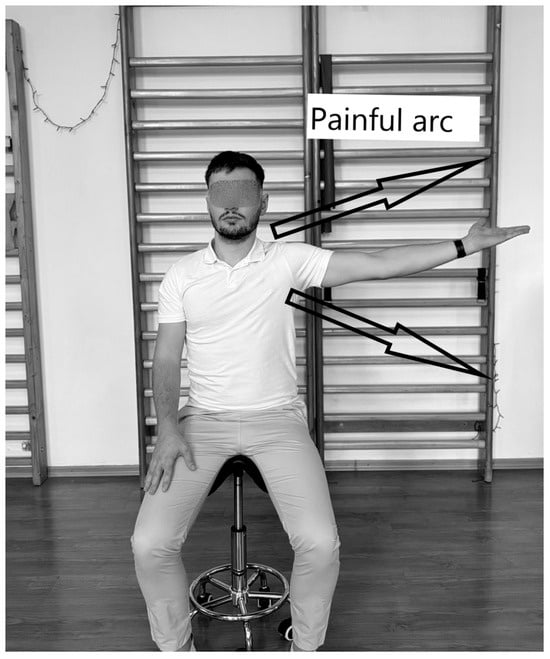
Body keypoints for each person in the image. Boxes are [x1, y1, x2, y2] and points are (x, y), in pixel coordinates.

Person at [131, 151, 530, 652]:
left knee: (321, 544)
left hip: (277, 420)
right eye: (221, 194)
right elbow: (167, 357)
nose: (231, 206)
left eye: (243, 194)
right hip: (201, 422)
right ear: (207, 202)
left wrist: (464, 244)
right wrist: (168, 428)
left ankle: (305, 646)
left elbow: (379, 264)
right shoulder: (182, 275)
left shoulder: (287, 260)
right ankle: (176, 648)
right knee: (149, 543)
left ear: (263, 203)